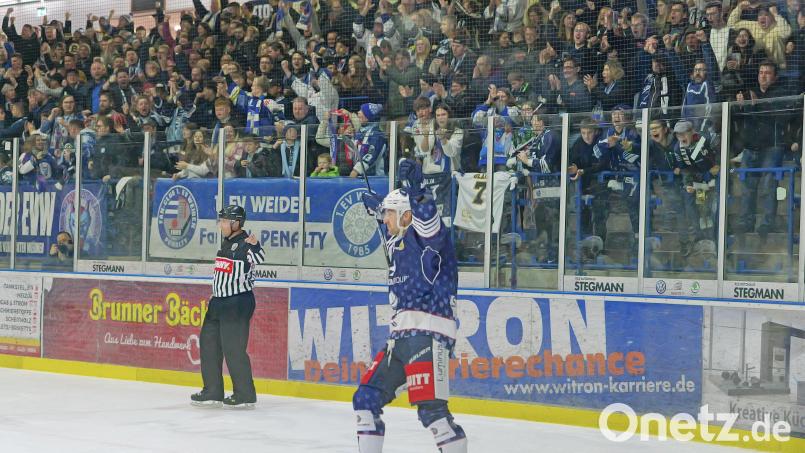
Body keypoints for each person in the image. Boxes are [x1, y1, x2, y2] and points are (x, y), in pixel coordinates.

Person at [355, 159, 467, 453]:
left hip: (429, 336)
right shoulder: (398, 241)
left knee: (433, 413)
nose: (384, 221)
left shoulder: (430, 239)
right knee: (365, 399)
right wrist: (380, 206)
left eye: (390, 215)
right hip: (400, 339)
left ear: (407, 215)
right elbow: (392, 223)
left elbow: (428, 220)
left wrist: (418, 192)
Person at [191, 205, 264, 409]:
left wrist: (256, 246)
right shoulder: (226, 242)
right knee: (209, 345)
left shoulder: (246, 243)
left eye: (224, 221)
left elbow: (258, 258)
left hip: (237, 302)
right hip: (218, 302)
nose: (221, 225)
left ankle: (245, 394)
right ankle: (213, 390)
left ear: (236, 223)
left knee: (233, 349)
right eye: (221, 221)